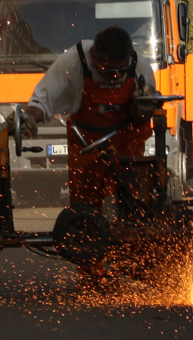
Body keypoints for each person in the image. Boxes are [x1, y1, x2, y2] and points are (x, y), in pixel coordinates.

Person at [19, 25, 156, 210]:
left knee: (129, 201)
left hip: (126, 144)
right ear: (94, 58)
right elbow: (43, 99)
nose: (115, 76)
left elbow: (145, 113)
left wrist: (143, 108)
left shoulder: (140, 66)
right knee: (84, 208)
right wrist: (28, 118)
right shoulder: (74, 61)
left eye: (121, 71)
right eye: (109, 71)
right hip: (86, 145)